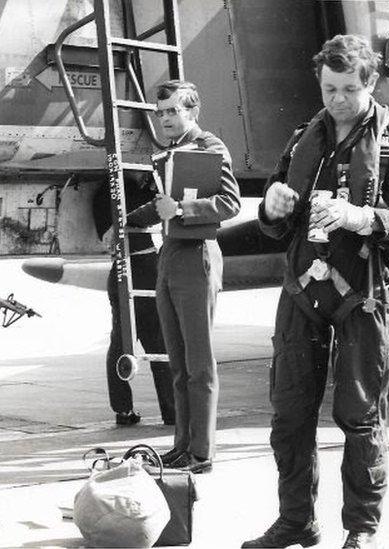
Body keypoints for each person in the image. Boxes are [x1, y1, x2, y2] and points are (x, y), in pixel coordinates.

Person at [241, 36, 389, 549]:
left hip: (363, 293)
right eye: (329, 88)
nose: (337, 99)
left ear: (370, 83)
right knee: (289, 414)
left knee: (359, 414)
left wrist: (367, 217)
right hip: (303, 292)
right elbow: (276, 226)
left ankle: (361, 529)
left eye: (349, 89)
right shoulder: (304, 138)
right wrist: (272, 208)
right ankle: (296, 522)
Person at [127, 80, 240, 474]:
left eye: (173, 111)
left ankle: (202, 453)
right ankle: (182, 446)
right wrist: (127, 222)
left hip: (197, 257)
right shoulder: (168, 154)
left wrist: (181, 210)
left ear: (193, 111)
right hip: (170, 256)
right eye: (161, 113)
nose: (166, 120)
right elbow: (162, 206)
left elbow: (230, 203)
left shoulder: (210, 147)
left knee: (199, 364)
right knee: (177, 362)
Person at [92, 175, 176, 426]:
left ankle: (123, 409)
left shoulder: (102, 191)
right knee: (158, 342)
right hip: (143, 268)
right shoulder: (131, 189)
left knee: (120, 341)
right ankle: (171, 410)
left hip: (118, 270)